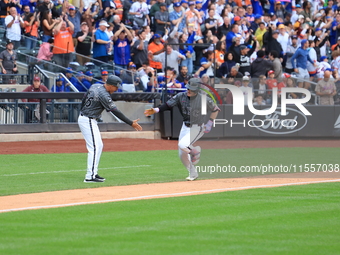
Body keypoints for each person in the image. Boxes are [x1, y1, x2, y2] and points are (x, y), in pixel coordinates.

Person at [144, 78, 220, 181]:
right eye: (188, 88)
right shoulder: (181, 96)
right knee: (182, 154)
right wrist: (156, 110)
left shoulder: (204, 99)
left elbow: (215, 109)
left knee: (182, 145)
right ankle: (193, 173)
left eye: (191, 89)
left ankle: (195, 151)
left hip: (198, 127)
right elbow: (168, 105)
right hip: (185, 126)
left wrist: (210, 122)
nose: (188, 90)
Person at [78, 75, 142, 183]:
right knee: (94, 147)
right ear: (111, 86)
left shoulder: (95, 85)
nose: (116, 89)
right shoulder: (104, 95)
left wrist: (82, 110)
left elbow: (84, 98)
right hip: (87, 119)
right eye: (116, 87)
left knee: (99, 146)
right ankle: (90, 176)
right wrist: (130, 123)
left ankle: (93, 172)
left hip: (88, 118)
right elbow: (115, 110)